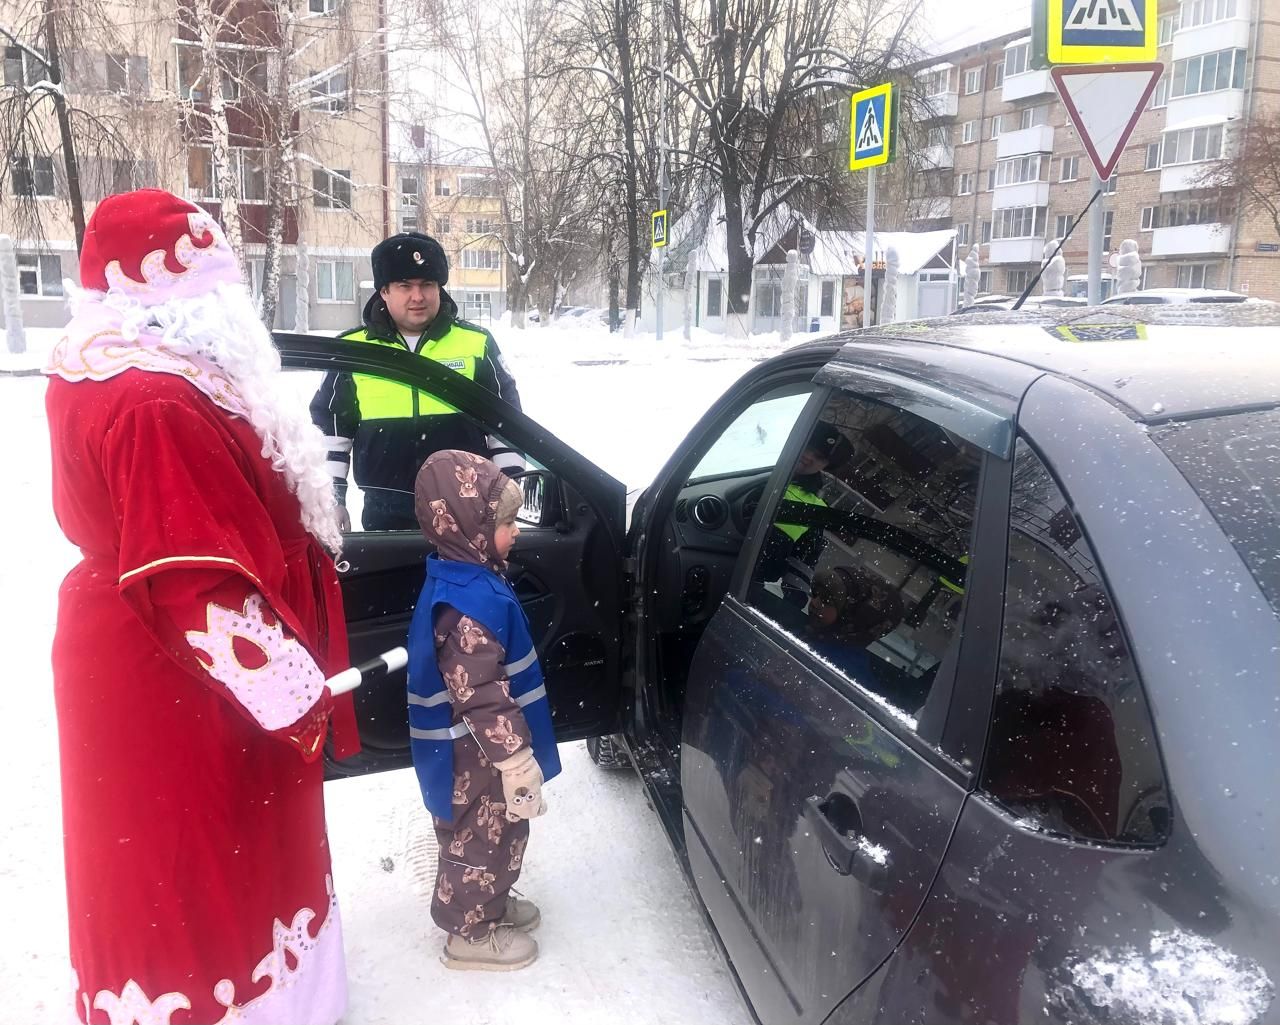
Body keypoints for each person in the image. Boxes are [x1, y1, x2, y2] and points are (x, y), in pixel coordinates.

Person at [43, 189, 361, 1024]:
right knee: (197, 856)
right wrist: (297, 694)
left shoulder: (136, 367)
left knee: (207, 851)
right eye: (218, 281)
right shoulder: (155, 397)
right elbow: (196, 586)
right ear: (172, 293)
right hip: (175, 675)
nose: (234, 299)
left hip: (153, 658)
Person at [406, 450, 559, 971]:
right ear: (468, 526)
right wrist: (515, 761)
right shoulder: (466, 606)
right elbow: (483, 695)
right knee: (479, 840)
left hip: (479, 751)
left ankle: (487, 903)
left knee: (500, 833)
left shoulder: (467, 574)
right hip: (477, 757)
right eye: (506, 522)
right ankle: (468, 934)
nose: (516, 532)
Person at [311, 232, 523, 531]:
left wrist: (506, 495)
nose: (418, 296)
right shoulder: (353, 350)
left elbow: (507, 424)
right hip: (386, 511)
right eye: (405, 286)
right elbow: (330, 429)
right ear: (384, 291)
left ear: (439, 288)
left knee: (464, 580)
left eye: (427, 284)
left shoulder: (476, 343)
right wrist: (333, 498)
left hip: (467, 507)